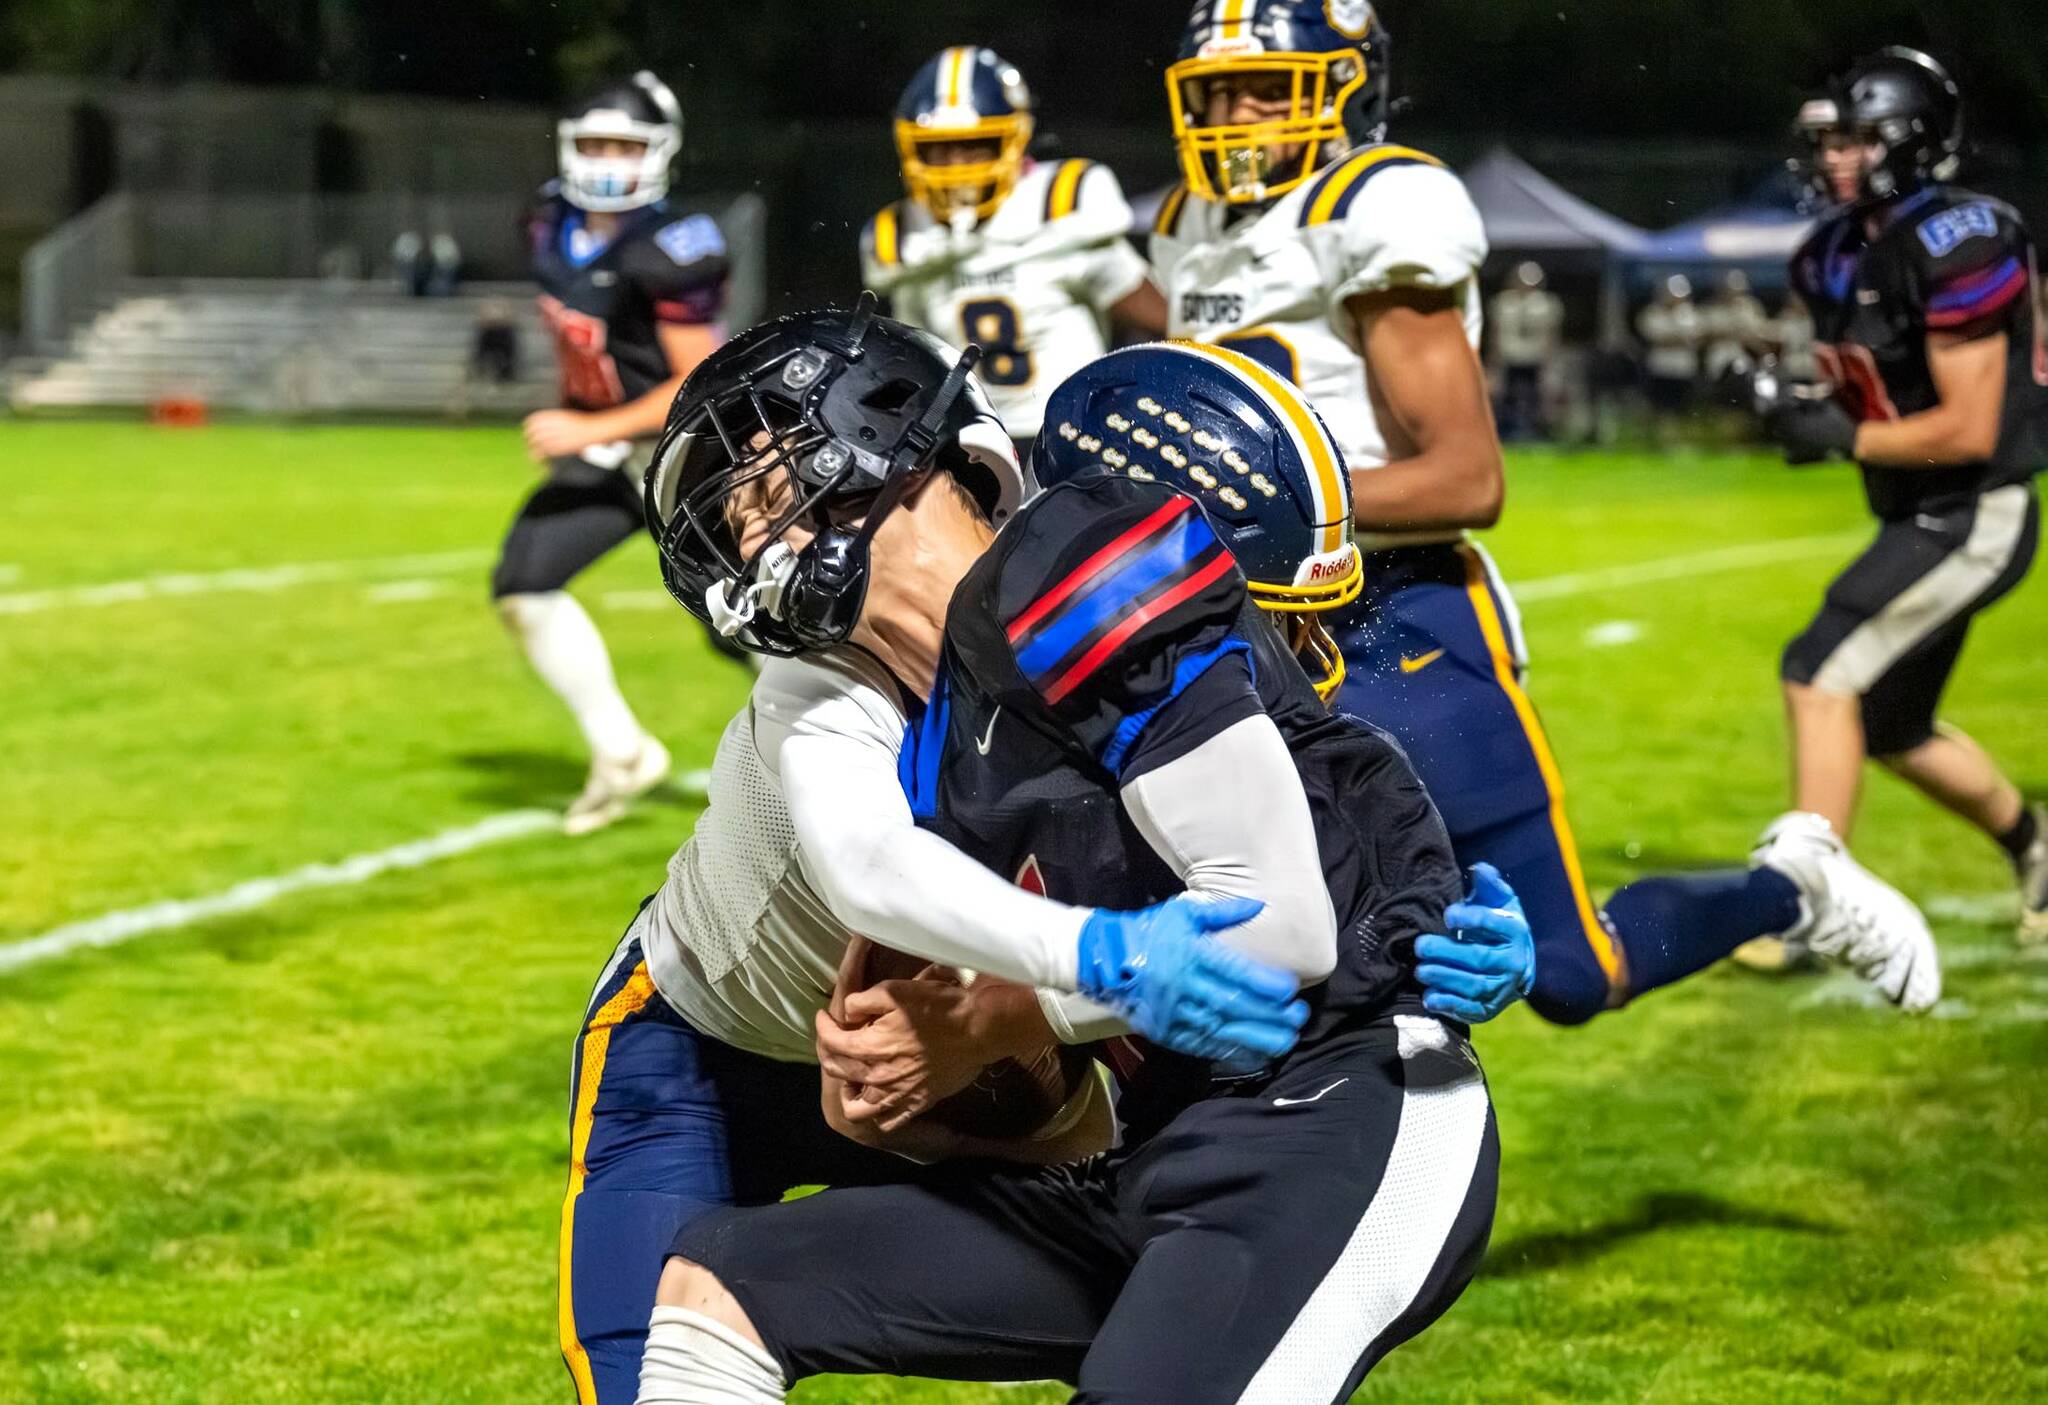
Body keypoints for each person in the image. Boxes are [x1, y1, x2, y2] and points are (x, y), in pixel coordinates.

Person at [629, 317, 1533, 1404]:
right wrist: (941, 1052)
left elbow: (1279, 926)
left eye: (760, 486)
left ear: (868, 437)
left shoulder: (1065, 558)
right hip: (1150, 1151)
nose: (742, 527)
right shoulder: (880, 711)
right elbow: (868, 890)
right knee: (723, 1277)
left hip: (1336, 1112)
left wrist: (1055, 994)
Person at [1148, 0, 1940, 1020]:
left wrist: (1249, 516)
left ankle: (1795, 888)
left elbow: (1465, 481)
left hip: (1399, 620)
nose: (1237, 113)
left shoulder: (1371, 209)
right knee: (1289, 954)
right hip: (1250, 628)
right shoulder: (1187, 228)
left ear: (1345, 91)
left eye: (1270, 87)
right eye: (1217, 91)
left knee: (1570, 974)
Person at [1759, 47, 2046, 943]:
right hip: (1921, 509)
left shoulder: (1957, 236)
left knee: (1820, 670)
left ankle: (1810, 906)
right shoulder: (1833, 253)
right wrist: (1790, 408)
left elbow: (1966, 429)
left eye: (1853, 139)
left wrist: (1839, 436)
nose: (1833, 158)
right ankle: (2037, 846)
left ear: (1906, 142)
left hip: (1975, 510)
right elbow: (1868, 395)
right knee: (1890, 722)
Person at [492, 71, 729, 834]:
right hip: (607, 454)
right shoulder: (548, 219)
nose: (605, 160)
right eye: (593, 142)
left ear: (659, 154)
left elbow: (702, 379)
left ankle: (845, 773)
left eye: (624, 146)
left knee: (745, 629)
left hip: (689, 459)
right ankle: (621, 752)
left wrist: (590, 426)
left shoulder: (669, 247)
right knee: (524, 585)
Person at [862, 46, 1168, 448]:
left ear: (1014, 141)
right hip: (966, 443)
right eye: (938, 148)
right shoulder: (902, 235)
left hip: (1073, 436)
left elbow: (1168, 323)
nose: (956, 166)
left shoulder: (1059, 204)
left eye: (974, 145)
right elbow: (912, 366)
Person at [1490, 260, 1563, 439]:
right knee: (1508, 395)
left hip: (1534, 357)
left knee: (1534, 396)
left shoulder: (1546, 304)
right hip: (1510, 356)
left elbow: (1551, 335)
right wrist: (1493, 360)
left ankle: (1535, 431)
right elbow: (1496, 333)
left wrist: (1550, 359)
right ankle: (1509, 429)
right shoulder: (1504, 303)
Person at [1638, 273, 1703, 426]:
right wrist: (1680, 338)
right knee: (1661, 407)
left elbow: (1697, 337)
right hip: (1661, 367)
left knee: (1683, 407)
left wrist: (1672, 337)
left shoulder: (1689, 313)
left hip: (1684, 367)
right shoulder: (1653, 312)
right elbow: (1656, 337)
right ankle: (1661, 437)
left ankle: (1680, 438)